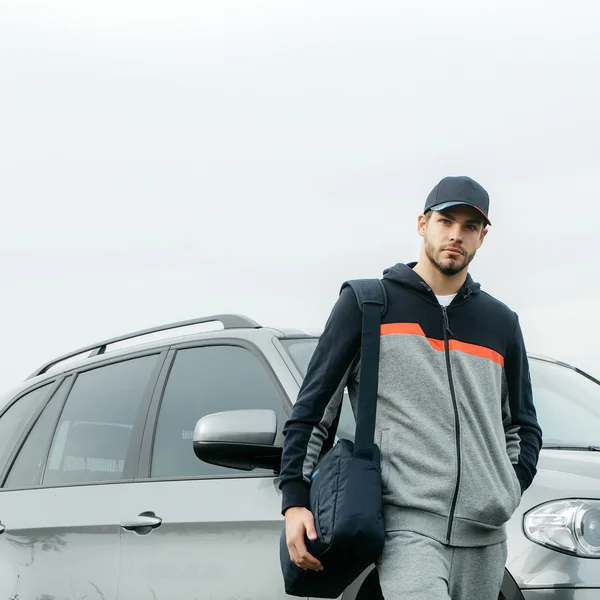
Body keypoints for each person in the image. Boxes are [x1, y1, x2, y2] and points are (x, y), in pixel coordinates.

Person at [278, 175, 543, 600]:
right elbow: (313, 413)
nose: (456, 235)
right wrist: (294, 500)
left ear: (483, 236)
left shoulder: (501, 323)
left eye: (470, 226)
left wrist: (506, 487)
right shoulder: (368, 306)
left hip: (487, 535)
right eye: (445, 221)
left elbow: (523, 426)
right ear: (422, 224)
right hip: (408, 525)